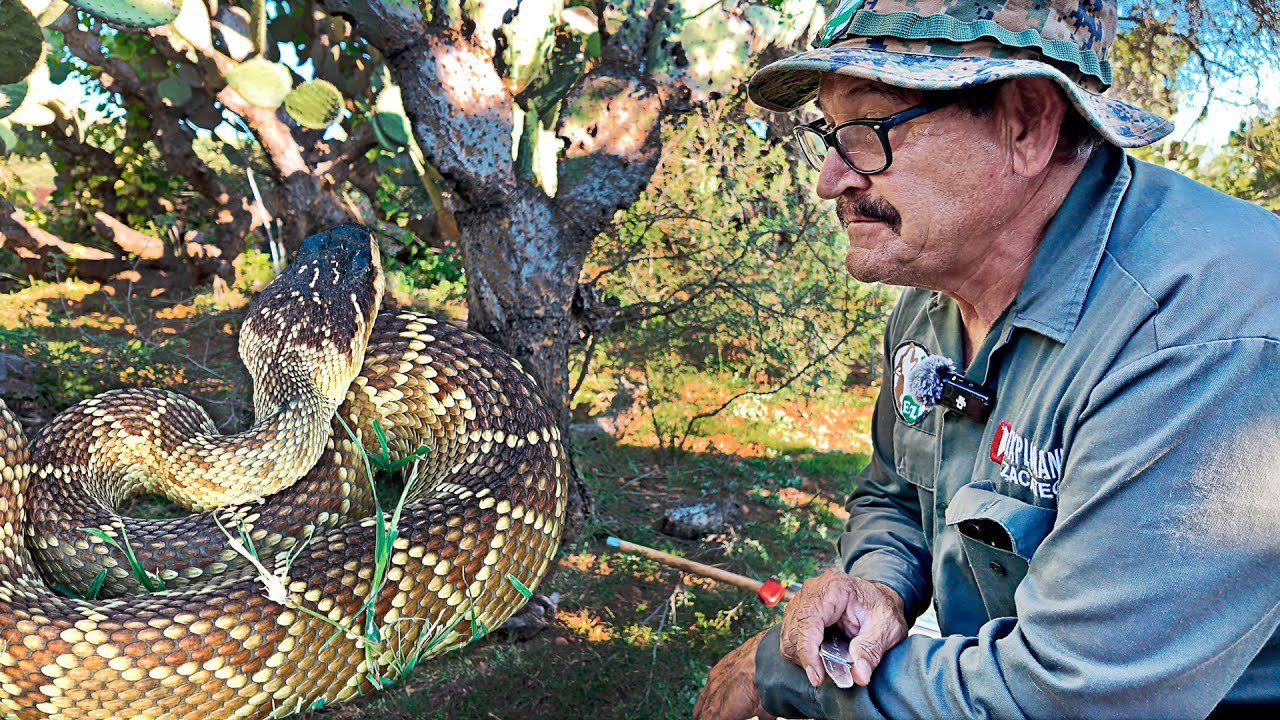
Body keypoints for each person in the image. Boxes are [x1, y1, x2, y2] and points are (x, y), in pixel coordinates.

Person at [693, 0, 1280, 718]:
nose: (832, 180)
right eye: (829, 135)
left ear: (1027, 124)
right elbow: (896, 494)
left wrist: (776, 675)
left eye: (868, 132)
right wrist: (876, 587)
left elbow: (1072, 699)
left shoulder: (1202, 333)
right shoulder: (937, 293)